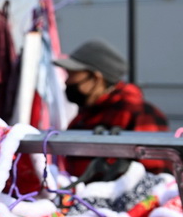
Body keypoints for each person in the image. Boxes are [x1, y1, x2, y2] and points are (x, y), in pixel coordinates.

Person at [54, 38, 169, 178]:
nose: (67, 81)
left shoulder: (138, 112)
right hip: (81, 197)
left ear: (96, 78)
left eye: (72, 74)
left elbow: (154, 173)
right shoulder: (88, 112)